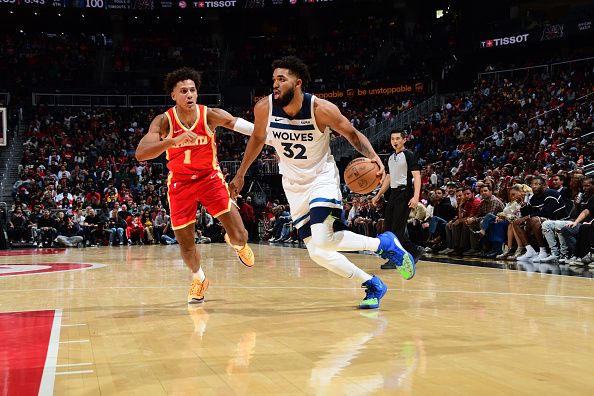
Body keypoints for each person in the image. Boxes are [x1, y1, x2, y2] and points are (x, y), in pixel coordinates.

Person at [229, 56, 414, 309]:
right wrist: (240, 174)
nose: (275, 84)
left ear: (298, 83)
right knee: (317, 252)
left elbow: (352, 134)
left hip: (321, 179)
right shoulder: (264, 108)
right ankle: (371, 283)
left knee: (325, 239)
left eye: (282, 79)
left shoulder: (321, 109)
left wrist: (373, 157)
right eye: (274, 79)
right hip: (293, 185)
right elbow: (258, 139)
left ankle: (383, 244)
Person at [135, 67, 255, 304]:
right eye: (183, 91)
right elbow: (141, 154)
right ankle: (199, 279)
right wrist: (172, 140)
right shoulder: (164, 121)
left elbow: (248, 128)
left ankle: (234, 242)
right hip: (180, 184)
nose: (189, 94)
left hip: (210, 179)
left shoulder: (209, 115)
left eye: (192, 90)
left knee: (241, 236)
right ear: (173, 96)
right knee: (186, 244)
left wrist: (275, 136)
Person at [371, 130, 422, 267]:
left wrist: (416, 196)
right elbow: (388, 178)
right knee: (389, 228)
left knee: (397, 229)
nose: (395, 141)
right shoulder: (390, 157)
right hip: (393, 194)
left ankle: (396, 259)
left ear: (404, 140)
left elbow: (417, 176)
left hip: (405, 193)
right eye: (392, 139)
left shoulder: (409, 155)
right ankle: (414, 250)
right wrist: (379, 194)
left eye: (398, 138)